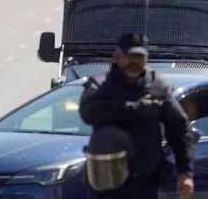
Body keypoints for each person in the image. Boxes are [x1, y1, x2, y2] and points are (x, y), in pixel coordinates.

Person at [79, 33, 195, 199]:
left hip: (144, 181)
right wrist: (132, 109)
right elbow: (87, 113)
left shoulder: (157, 86)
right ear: (117, 57)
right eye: (130, 56)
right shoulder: (100, 85)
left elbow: (179, 129)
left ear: (146, 59)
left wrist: (186, 173)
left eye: (139, 57)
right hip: (108, 179)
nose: (134, 62)